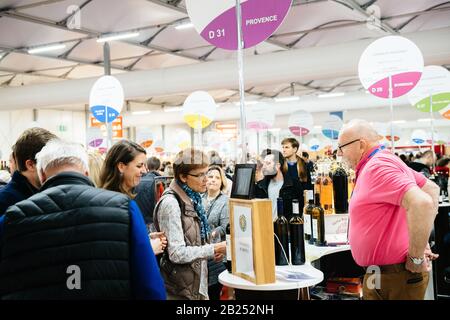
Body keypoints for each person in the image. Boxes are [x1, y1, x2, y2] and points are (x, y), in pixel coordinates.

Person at [0, 139, 166, 299]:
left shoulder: (12, 217)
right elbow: (149, 285)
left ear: (42, 175)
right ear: (86, 173)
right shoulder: (124, 208)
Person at [337, 119, 439, 300]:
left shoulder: (378, 166)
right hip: (380, 275)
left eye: (341, 147)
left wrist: (416, 256)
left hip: (395, 275)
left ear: (361, 145)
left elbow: (422, 202)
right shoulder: (380, 162)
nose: (339, 153)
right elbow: (431, 189)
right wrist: (422, 241)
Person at [153, 148, 226, 300]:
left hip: (195, 285)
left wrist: (211, 249)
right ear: (183, 177)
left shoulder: (194, 198)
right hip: (180, 290)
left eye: (206, 173)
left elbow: (192, 239)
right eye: (200, 175)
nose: (206, 179)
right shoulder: (171, 203)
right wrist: (213, 248)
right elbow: (177, 253)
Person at [99, 140, 166, 256]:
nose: (144, 171)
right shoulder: (114, 205)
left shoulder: (119, 200)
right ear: (121, 166)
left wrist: (144, 239)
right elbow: (111, 252)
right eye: (139, 166)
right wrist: (148, 248)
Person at [0, 128, 57, 216]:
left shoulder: (50, 194)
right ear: (31, 165)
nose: (57, 168)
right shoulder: (5, 202)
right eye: (49, 162)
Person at [202, 165, 229, 300]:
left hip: (216, 255)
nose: (213, 180)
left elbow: (225, 227)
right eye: (210, 176)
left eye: (217, 178)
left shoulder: (225, 201)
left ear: (222, 182)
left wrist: (211, 233)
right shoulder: (198, 198)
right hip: (200, 252)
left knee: (212, 293)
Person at [254, 149, 298, 221]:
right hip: (265, 228)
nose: (264, 167)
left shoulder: (293, 185)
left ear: (277, 166)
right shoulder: (260, 186)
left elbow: (298, 212)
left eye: (268, 163)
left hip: (284, 229)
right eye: (264, 164)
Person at [135, 156, 162, 227]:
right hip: (152, 221)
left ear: (147, 166)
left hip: (139, 219)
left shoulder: (139, 180)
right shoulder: (159, 182)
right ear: (159, 167)